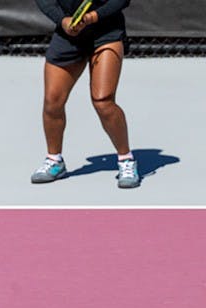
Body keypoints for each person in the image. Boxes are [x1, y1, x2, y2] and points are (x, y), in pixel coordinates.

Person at [30, 0, 139, 189]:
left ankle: (126, 159)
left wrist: (92, 17)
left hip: (106, 33)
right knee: (52, 102)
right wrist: (63, 20)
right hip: (68, 35)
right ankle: (54, 160)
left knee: (103, 101)